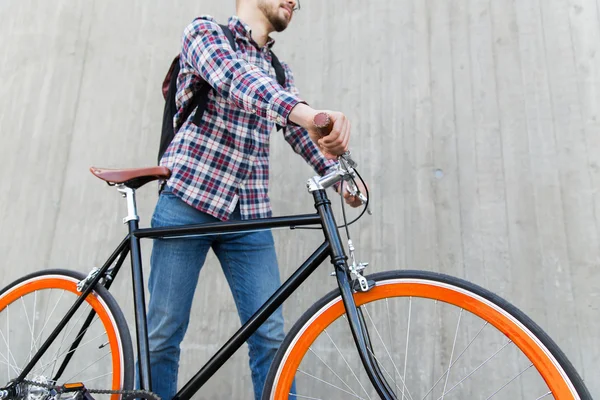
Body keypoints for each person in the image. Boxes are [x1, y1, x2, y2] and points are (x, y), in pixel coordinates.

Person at [146, 0, 362, 399]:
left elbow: (299, 132)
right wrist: (307, 113)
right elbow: (236, 80)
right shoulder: (205, 33)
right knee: (162, 334)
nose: (295, 2)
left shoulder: (280, 71)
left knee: (271, 337)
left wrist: (340, 176)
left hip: (250, 215)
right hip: (187, 201)